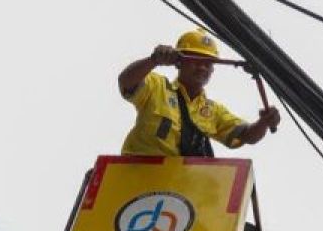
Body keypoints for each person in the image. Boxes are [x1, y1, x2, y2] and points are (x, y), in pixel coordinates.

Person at [117, 29, 280, 157]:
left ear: (213, 70)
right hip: (135, 175)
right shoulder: (157, 87)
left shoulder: (213, 111)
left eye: (208, 63)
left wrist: (264, 122)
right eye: (195, 60)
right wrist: (153, 60)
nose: (202, 67)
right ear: (179, 62)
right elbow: (126, 82)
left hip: (177, 186)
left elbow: (247, 135)